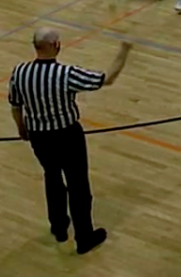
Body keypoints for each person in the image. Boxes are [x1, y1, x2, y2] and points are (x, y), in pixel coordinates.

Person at [9, 28, 131, 255]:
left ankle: (59, 227)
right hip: (67, 135)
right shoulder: (65, 73)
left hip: (39, 136)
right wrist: (124, 51)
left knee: (52, 178)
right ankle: (84, 237)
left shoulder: (20, 71)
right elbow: (106, 79)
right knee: (78, 186)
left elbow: (15, 105)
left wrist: (22, 129)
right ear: (56, 45)